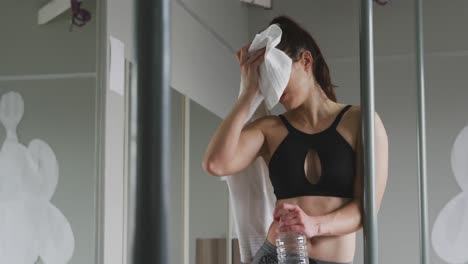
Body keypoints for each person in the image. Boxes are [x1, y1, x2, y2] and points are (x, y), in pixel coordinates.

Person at [202, 15, 388, 264]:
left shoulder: (360, 121)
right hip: (275, 256)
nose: (275, 90)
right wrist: (248, 93)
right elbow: (216, 164)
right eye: (267, 80)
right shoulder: (270, 129)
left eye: (277, 74)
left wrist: (314, 225)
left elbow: (366, 211)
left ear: (306, 61)